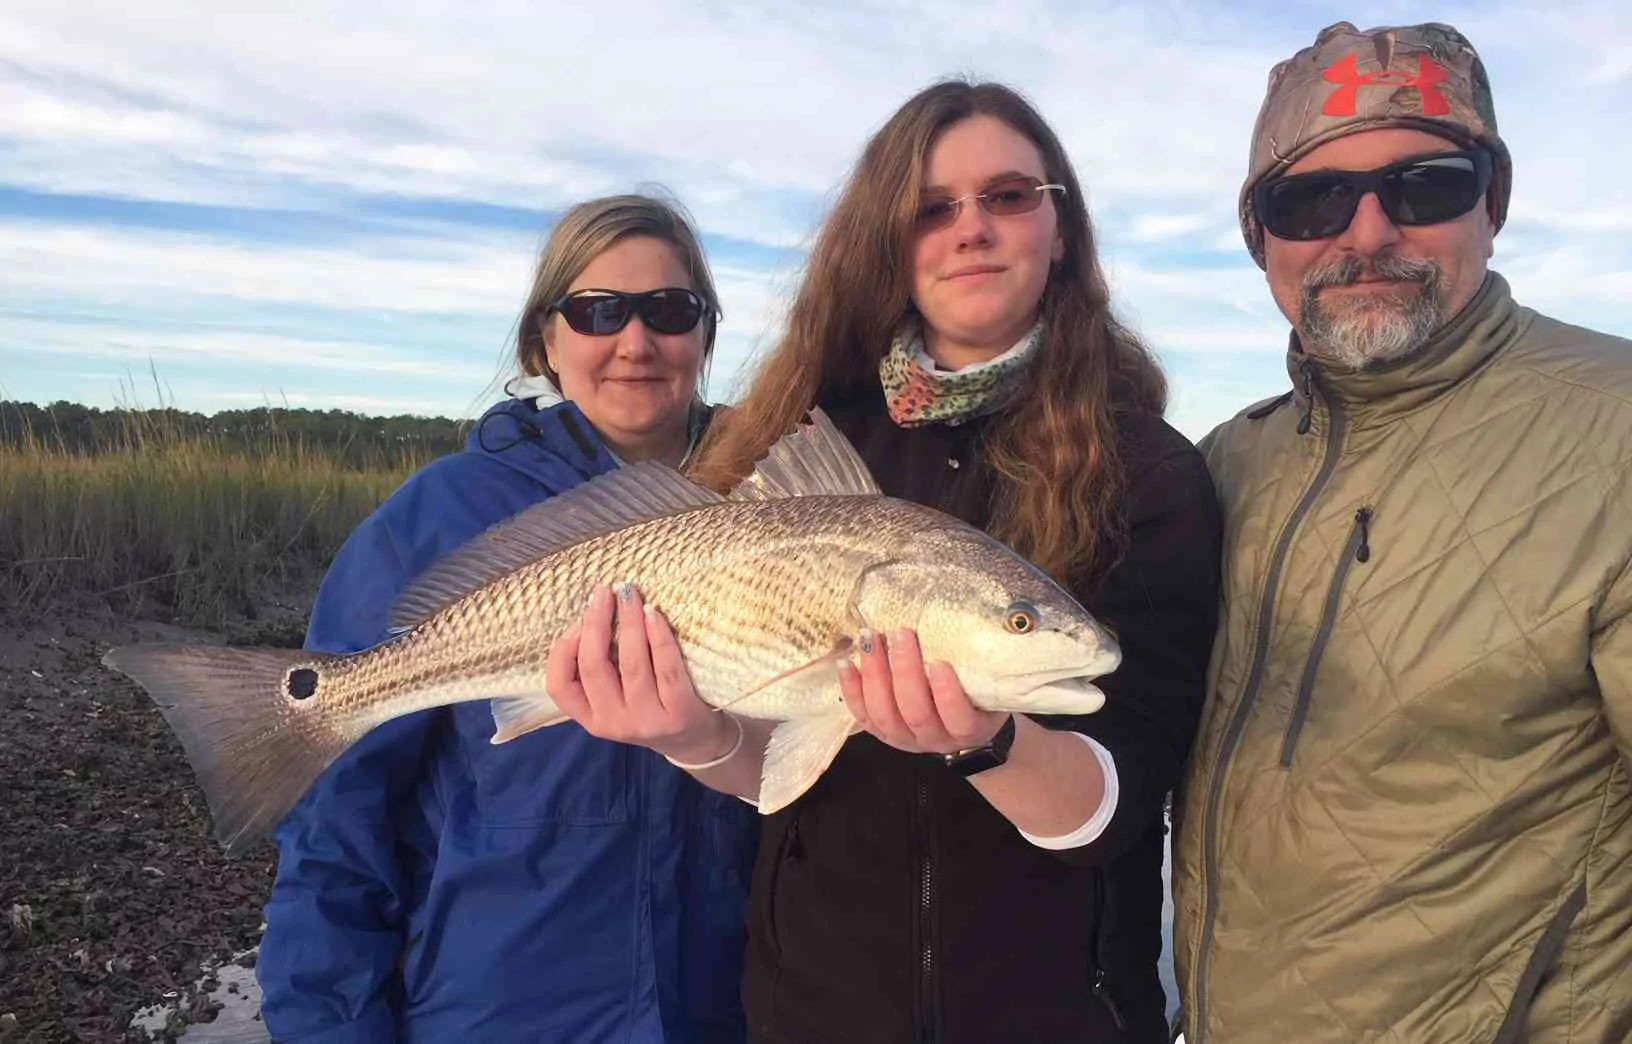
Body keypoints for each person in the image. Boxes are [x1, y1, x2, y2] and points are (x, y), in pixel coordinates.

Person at [547, 80, 1222, 1043]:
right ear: (888, 243)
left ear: (1061, 229)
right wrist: (690, 736)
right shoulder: (801, 436)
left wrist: (989, 741)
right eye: (931, 208)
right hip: (814, 1013)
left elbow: (1123, 800)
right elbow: (775, 774)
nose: (971, 229)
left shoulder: (1147, 471)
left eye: (1008, 196)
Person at [1172, 21, 1632, 1044]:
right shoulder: (1222, 465)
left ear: (1492, 205)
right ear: (1261, 241)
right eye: (1311, 201)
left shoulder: (1615, 434)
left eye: (1425, 187)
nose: (1369, 232)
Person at [255, 194, 760, 1043]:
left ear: (706, 334)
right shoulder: (440, 515)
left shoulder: (773, 503)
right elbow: (336, 825)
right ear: (544, 341)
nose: (636, 341)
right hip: (493, 1013)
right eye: (598, 312)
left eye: (670, 311)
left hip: (731, 1013)